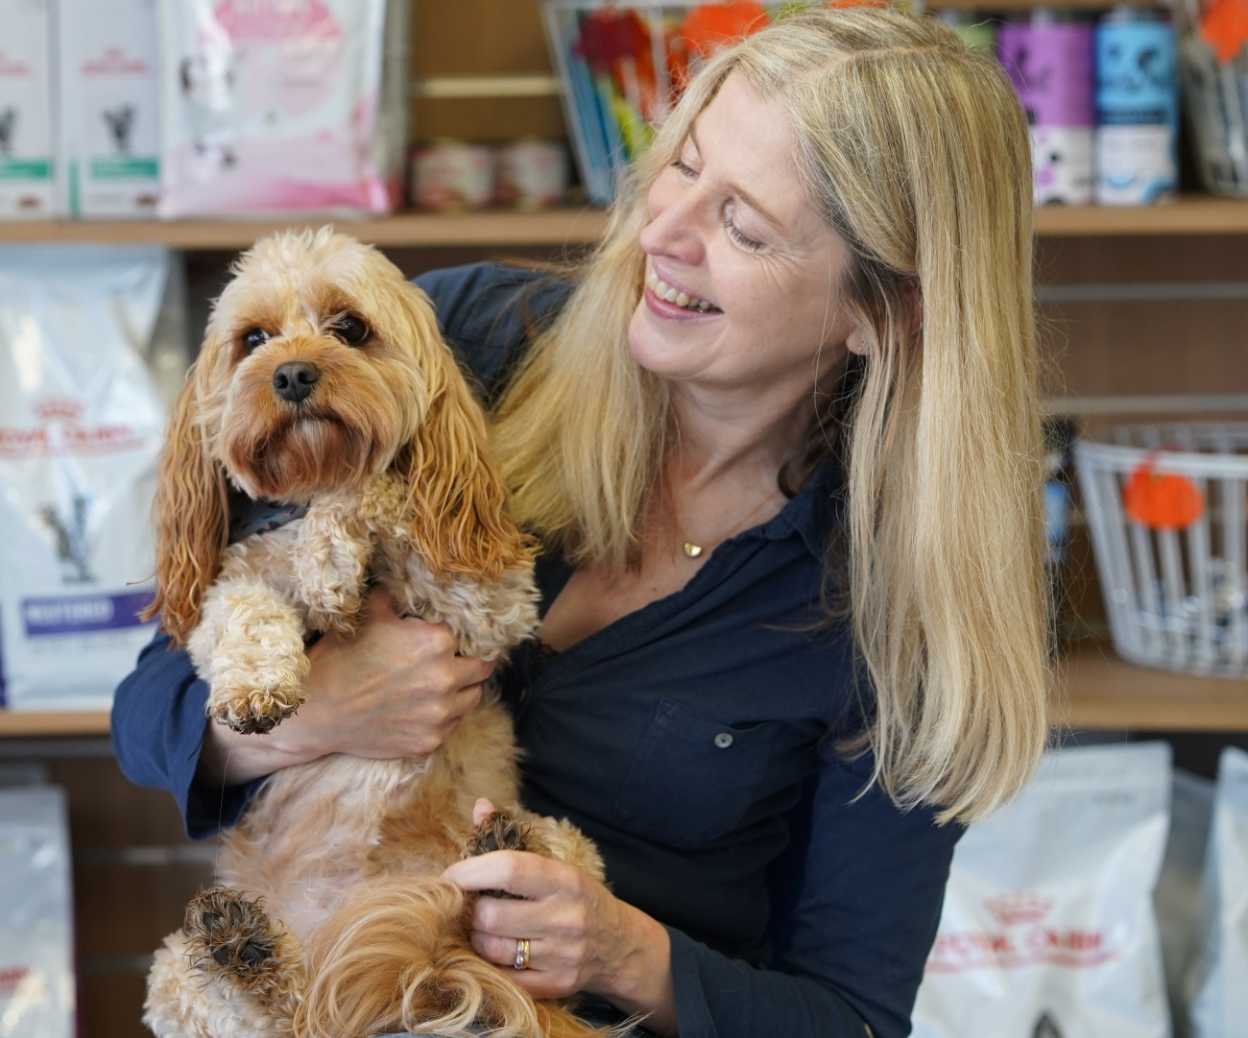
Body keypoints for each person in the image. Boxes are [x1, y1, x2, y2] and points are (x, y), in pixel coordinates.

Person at [110, 6, 1053, 1036]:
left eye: (744, 227)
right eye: (683, 166)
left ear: (886, 309)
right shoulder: (456, 342)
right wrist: (305, 715)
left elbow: (852, 1019)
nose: (664, 234)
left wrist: (622, 951)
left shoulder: (896, 615)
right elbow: (145, 708)